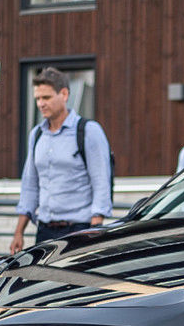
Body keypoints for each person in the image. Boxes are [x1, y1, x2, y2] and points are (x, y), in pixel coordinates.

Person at [11, 67, 113, 253]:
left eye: (46, 98)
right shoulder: (37, 134)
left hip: (79, 230)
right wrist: (19, 232)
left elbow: (101, 182)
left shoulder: (88, 131)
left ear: (64, 94)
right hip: (44, 230)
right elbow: (30, 185)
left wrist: (95, 230)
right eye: (38, 99)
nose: (41, 104)